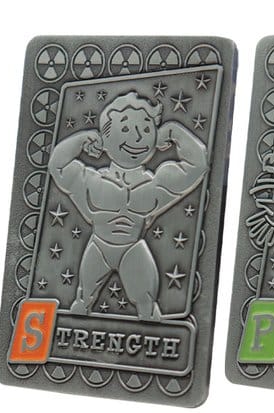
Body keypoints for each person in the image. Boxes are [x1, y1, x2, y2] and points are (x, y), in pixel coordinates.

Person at [48, 90, 209, 320]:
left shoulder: (155, 185)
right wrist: (81, 140)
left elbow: (198, 166)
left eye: (146, 130)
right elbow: (57, 166)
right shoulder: (91, 181)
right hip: (98, 247)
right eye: (125, 129)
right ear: (104, 140)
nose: (137, 138)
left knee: (148, 309)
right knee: (81, 303)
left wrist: (174, 131)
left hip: (133, 249)